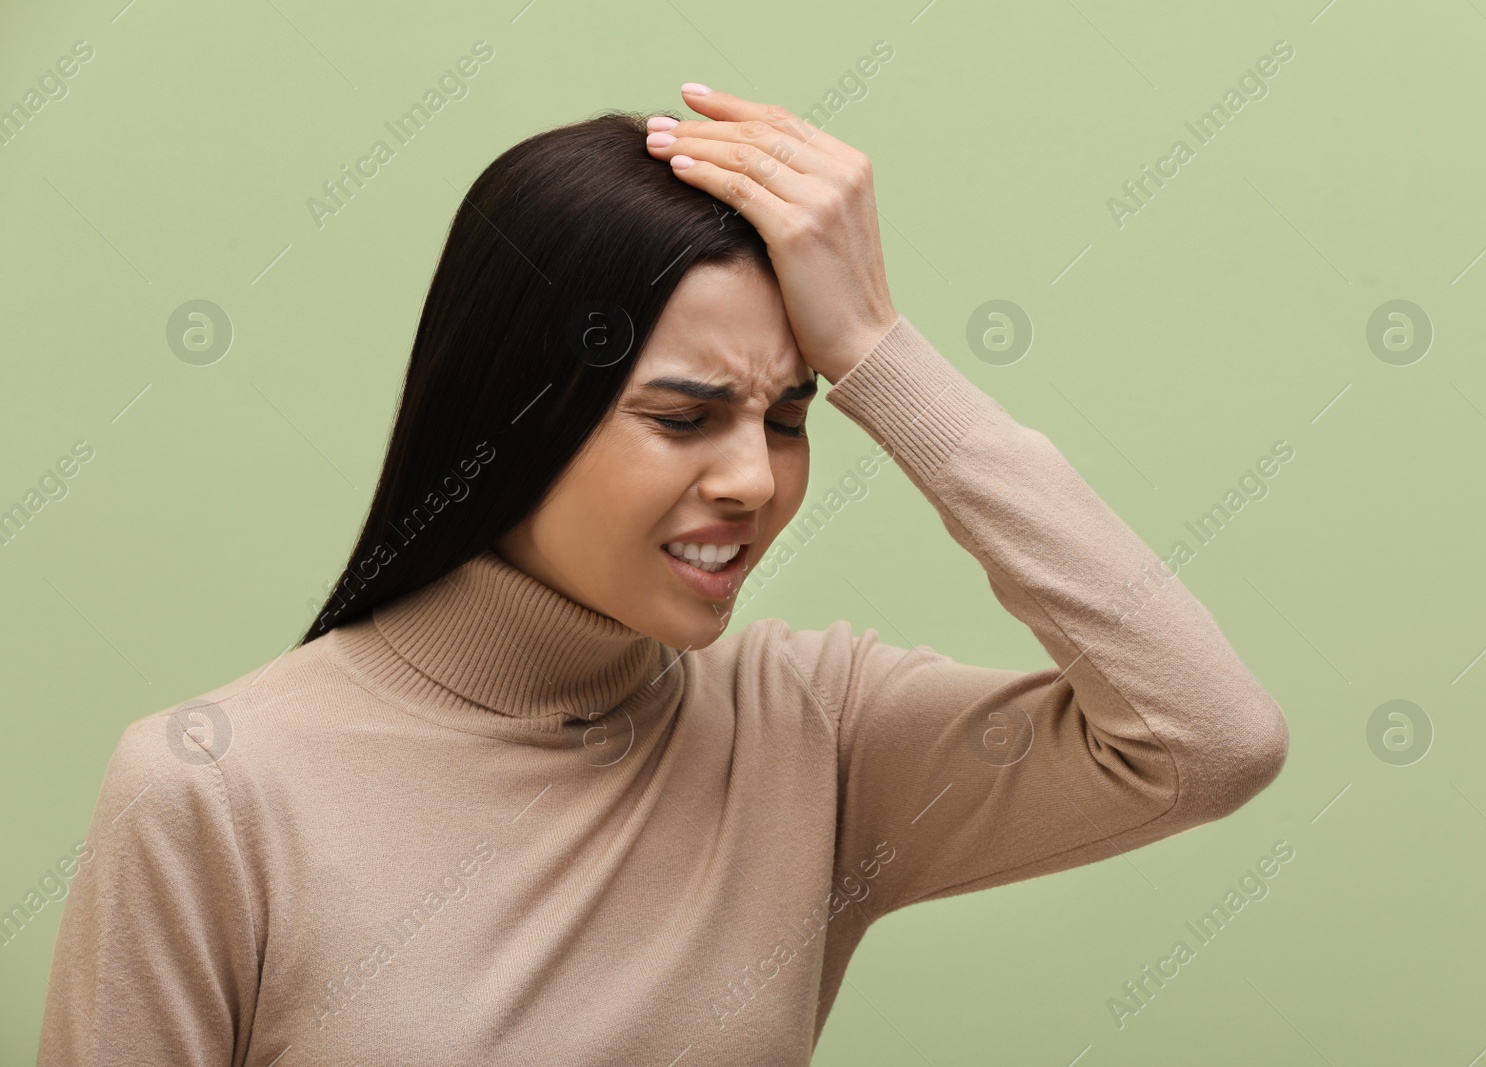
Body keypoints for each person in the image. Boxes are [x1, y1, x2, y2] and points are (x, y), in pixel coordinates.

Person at [37, 84, 1289, 1066]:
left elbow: (1206, 737)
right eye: (685, 416)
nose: (754, 477)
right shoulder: (209, 789)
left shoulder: (814, 736)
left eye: (787, 417)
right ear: (518, 409)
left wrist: (874, 353)